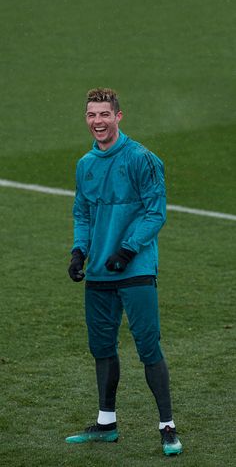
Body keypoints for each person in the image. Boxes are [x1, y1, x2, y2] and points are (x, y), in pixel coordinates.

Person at [66, 88, 183, 456]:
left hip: (135, 271)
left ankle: (167, 427)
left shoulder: (142, 159)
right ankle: (106, 423)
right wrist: (78, 251)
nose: (97, 121)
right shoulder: (85, 165)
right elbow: (82, 213)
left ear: (119, 116)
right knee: (101, 347)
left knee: (148, 346)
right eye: (91, 115)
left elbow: (155, 212)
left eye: (104, 114)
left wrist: (129, 249)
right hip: (99, 273)